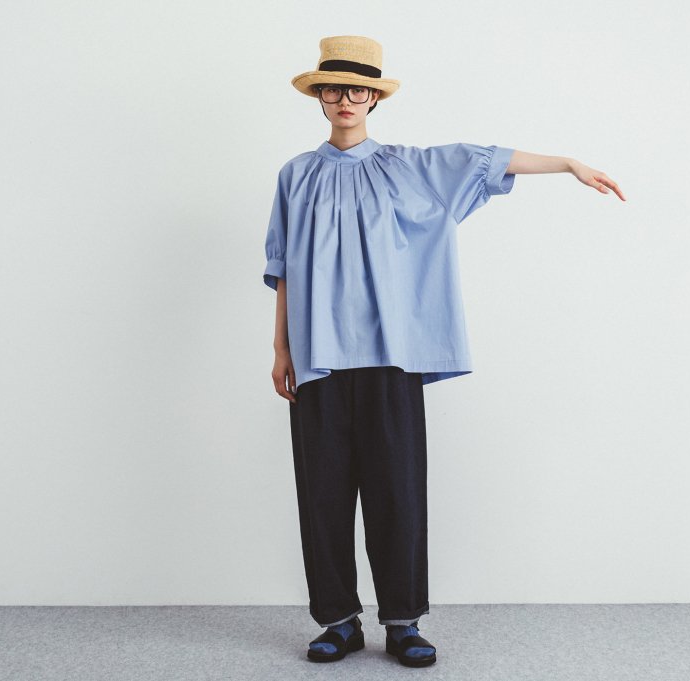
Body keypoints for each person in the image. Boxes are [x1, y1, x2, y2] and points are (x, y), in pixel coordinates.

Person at [263, 35, 625, 668]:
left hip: (391, 357)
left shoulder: (411, 168)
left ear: (374, 98)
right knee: (322, 495)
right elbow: (285, 265)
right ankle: (339, 621)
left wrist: (567, 163)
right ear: (319, 96)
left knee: (397, 492)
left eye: (359, 89)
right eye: (334, 88)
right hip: (318, 357)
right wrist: (280, 349)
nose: (346, 99)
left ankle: (403, 620)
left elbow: (487, 159)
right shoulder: (296, 174)